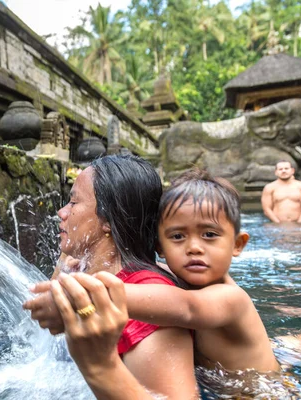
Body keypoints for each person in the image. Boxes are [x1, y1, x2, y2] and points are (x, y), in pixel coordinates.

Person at [27, 169, 281, 394]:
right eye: (178, 236)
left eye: (210, 235)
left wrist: (78, 297)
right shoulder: (173, 275)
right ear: (160, 247)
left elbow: (186, 307)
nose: (194, 247)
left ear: (237, 244)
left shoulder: (230, 299)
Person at [24, 154, 198, 399]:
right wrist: (67, 256)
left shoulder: (148, 311)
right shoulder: (82, 271)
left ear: (107, 220)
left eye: (73, 203)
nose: (61, 212)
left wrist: (99, 368)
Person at [261, 160, 301, 224]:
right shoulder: (269, 188)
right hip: (277, 226)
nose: (283, 171)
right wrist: (277, 223)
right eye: (280, 169)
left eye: (286, 168)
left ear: (292, 171)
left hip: (299, 224)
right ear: (276, 172)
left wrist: (299, 223)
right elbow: (267, 209)